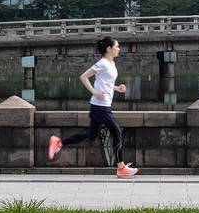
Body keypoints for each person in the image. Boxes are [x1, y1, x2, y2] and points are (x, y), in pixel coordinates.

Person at [48, 37, 139, 178]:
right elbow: (84, 77)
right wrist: (94, 92)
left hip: (102, 105)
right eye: (117, 46)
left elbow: (105, 83)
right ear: (109, 49)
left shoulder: (111, 63)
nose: (119, 49)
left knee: (90, 136)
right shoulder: (102, 63)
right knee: (117, 133)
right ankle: (121, 167)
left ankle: (59, 143)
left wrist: (117, 88)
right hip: (101, 106)